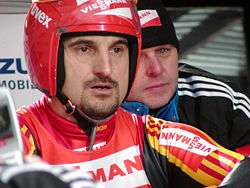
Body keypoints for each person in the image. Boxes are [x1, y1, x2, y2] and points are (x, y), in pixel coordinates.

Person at [15, 0, 250, 188]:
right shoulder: (16, 137)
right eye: (84, 49)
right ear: (46, 57)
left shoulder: (156, 137)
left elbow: (242, 170)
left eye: (117, 49)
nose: (106, 69)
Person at [121, 0, 250, 187]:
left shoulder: (221, 100)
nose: (156, 69)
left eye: (163, 51)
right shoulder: (82, 114)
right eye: (138, 56)